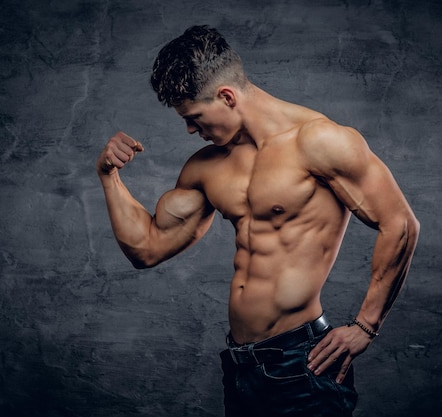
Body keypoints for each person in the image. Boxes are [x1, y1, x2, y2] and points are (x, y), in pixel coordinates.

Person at [96, 25, 419, 417]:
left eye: (195, 117)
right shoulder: (207, 166)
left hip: (302, 364)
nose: (190, 130)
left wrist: (366, 325)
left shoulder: (319, 142)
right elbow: (147, 248)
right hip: (240, 366)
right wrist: (109, 176)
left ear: (227, 96)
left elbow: (400, 223)